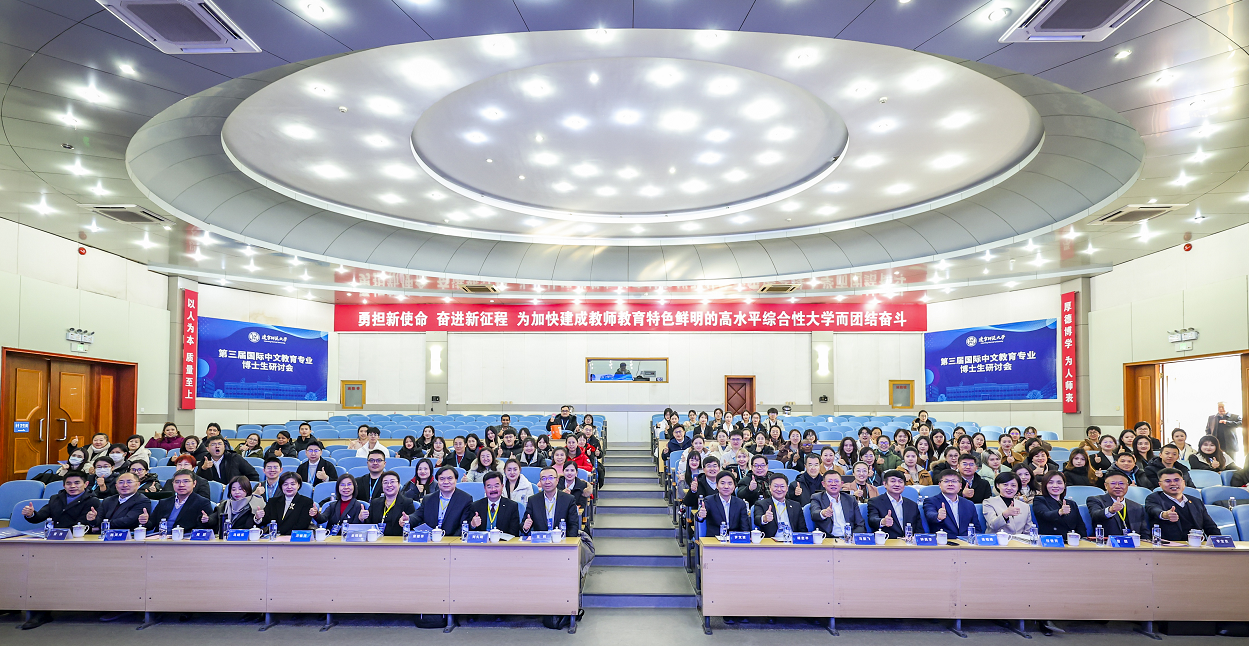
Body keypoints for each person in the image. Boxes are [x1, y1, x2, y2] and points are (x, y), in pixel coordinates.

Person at [1144, 468, 1221, 542]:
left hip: (1197, 545)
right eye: (1168, 481)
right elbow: (1153, 509)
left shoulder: (1196, 501)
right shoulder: (1154, 498)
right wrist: (1165, 515)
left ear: (1183, 482)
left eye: (1177, 480)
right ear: (1160, 485)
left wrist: (1219, 542)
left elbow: (1210, 526)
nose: (1173, 483)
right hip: (1168, 546)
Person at [21, 470, 98, 528]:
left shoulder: (92, 500)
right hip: (56, 537)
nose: (72, 486)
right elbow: (40, 516)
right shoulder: (56, 498)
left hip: (77, 538)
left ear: (86, 484)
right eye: (68, 483)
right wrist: (31, 514)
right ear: (64, 485)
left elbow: (82, 525)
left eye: (77, 483)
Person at [147, 469, 213, 532]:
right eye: (177, 482)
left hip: (185, 538)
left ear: (194, 483)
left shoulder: (202, 502)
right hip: (161, 537)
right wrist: (145, 521)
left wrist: (206, 521)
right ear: (172, 484)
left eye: (186, 481)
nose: (181, 485)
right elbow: (151, 524)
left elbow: (207, 527)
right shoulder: (163, 502)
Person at [923, 469, 983, 537]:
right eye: (946, 481)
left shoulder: (969, 504)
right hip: (944, 541)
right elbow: (930, 514)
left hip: (966, 541)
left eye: (954, 481)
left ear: (960, 486)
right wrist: (938, 517)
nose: (950, 484)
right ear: (940, 485)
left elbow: (977, 529)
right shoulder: (931, 501)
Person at [522, 465, 580, 534]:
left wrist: (568, 540)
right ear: (540, 481)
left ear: (557, 480)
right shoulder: (533, 500)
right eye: (543, 479)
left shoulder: (568, 499)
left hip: (562, 539)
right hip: (541, 539)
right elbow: (524, 523)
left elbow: (573, 526)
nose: (547, 481)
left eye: (551, 478)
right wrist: (525, 527)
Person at [1087, 471, 1148, 536]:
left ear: (1127, 486)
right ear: (1106, 486)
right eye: (1113, 483)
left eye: (1121, 483)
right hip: (1107, 541)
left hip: (1132, 541)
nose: (1117, 486)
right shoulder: (1095, 500)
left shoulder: (1137, 507)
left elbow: (1144, 532)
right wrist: (1110, 510)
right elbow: (1095, 515)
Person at [867, 469, 923, 539]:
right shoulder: (875, 502)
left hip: (909, 543)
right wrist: (883, 521)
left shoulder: (912, 505)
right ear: (885, 484)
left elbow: (919, 529)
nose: (897, 484)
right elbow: (872, 519)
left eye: (900, 482)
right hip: (888, 542)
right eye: (893, 481)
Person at [417, 466, 474, 534]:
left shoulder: (465, 499)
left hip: (452, 538)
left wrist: (450, 540)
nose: (446, 482)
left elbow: (463, 526)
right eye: (442, 479)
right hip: (430, 538)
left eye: (450, 478)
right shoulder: (428, 499)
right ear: (437, 481)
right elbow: (417, 515)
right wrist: (408, 519)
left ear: (456, 480)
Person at [810, 470, 865, 538]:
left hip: (849, 539)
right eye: (829, 481)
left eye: (836, 481)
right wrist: (823, 513)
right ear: (823, 484)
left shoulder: (850, 499)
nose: (833, 484)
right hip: (829, 539)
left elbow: (860, 524)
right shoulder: (817, 497)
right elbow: (814, 514)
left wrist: (852, 537)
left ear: (842, 483)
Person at [751, 473, 807, 538]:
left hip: (792, 541)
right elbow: (757, 519)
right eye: (776, 486)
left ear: (787, 488)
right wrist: (764, 518)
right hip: (771, 542)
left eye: (782, 486)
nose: (779, 489)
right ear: (770, 487)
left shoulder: (796, 506)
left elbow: (802, 530)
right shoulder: (761, 504)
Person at [468, 470, 522, 537]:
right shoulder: (476, 506)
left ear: (502, 486)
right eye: (489, 487)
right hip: (482, 542)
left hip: (502, 542)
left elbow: (514, 533)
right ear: (484, 488)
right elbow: (468, 532)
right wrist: (472, 525)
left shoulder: (512, 506)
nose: (493, 489)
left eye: (496, 486)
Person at [1033, 472, 1087, 537]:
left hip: (1072, 540)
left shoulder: (1071, 503)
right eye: (1051, 483)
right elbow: (1045, 515)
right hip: (1052, 539)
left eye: (1059, 483)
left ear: (1064, 485)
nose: (1055, 486)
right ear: (1045, 485)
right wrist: (1060, 512)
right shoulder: (1039, 500)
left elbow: (1080, 526)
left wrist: (1082, 539)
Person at [366, 471, 415, 536]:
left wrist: (406, 522)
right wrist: (362, 518)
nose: (389, 485)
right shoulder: (375, 503)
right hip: (377, 540)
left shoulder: (407, 503)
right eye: (385, 482)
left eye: (392, 482)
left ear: (398, 484)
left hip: (398, 540)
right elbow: (368, 524)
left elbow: (413, 525)